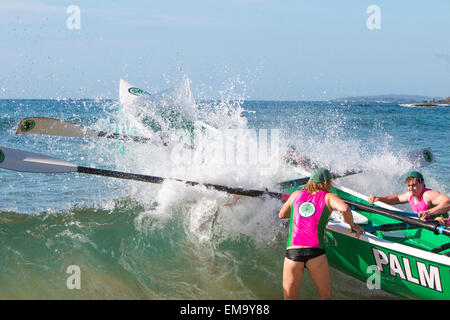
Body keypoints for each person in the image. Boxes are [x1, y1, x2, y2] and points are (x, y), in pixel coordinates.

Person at [278, 168, 364, 300]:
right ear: (327, 183)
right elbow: (345, 209)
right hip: (315, 253)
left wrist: (298, 213)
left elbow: (282, 214)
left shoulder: (295, 195)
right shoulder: (329, 197)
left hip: (293, 251)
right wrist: (353, 226)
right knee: (325, 297)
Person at [368, 171, 450, 221]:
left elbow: (448, 203)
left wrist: (428, 212)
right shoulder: (410, 195)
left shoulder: (428, 195)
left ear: (422, 183)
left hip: (443, 227)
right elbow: (396, 199)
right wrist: (379, 198)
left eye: (414, 185)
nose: (411, 188)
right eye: (408, 186)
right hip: (429, 226)